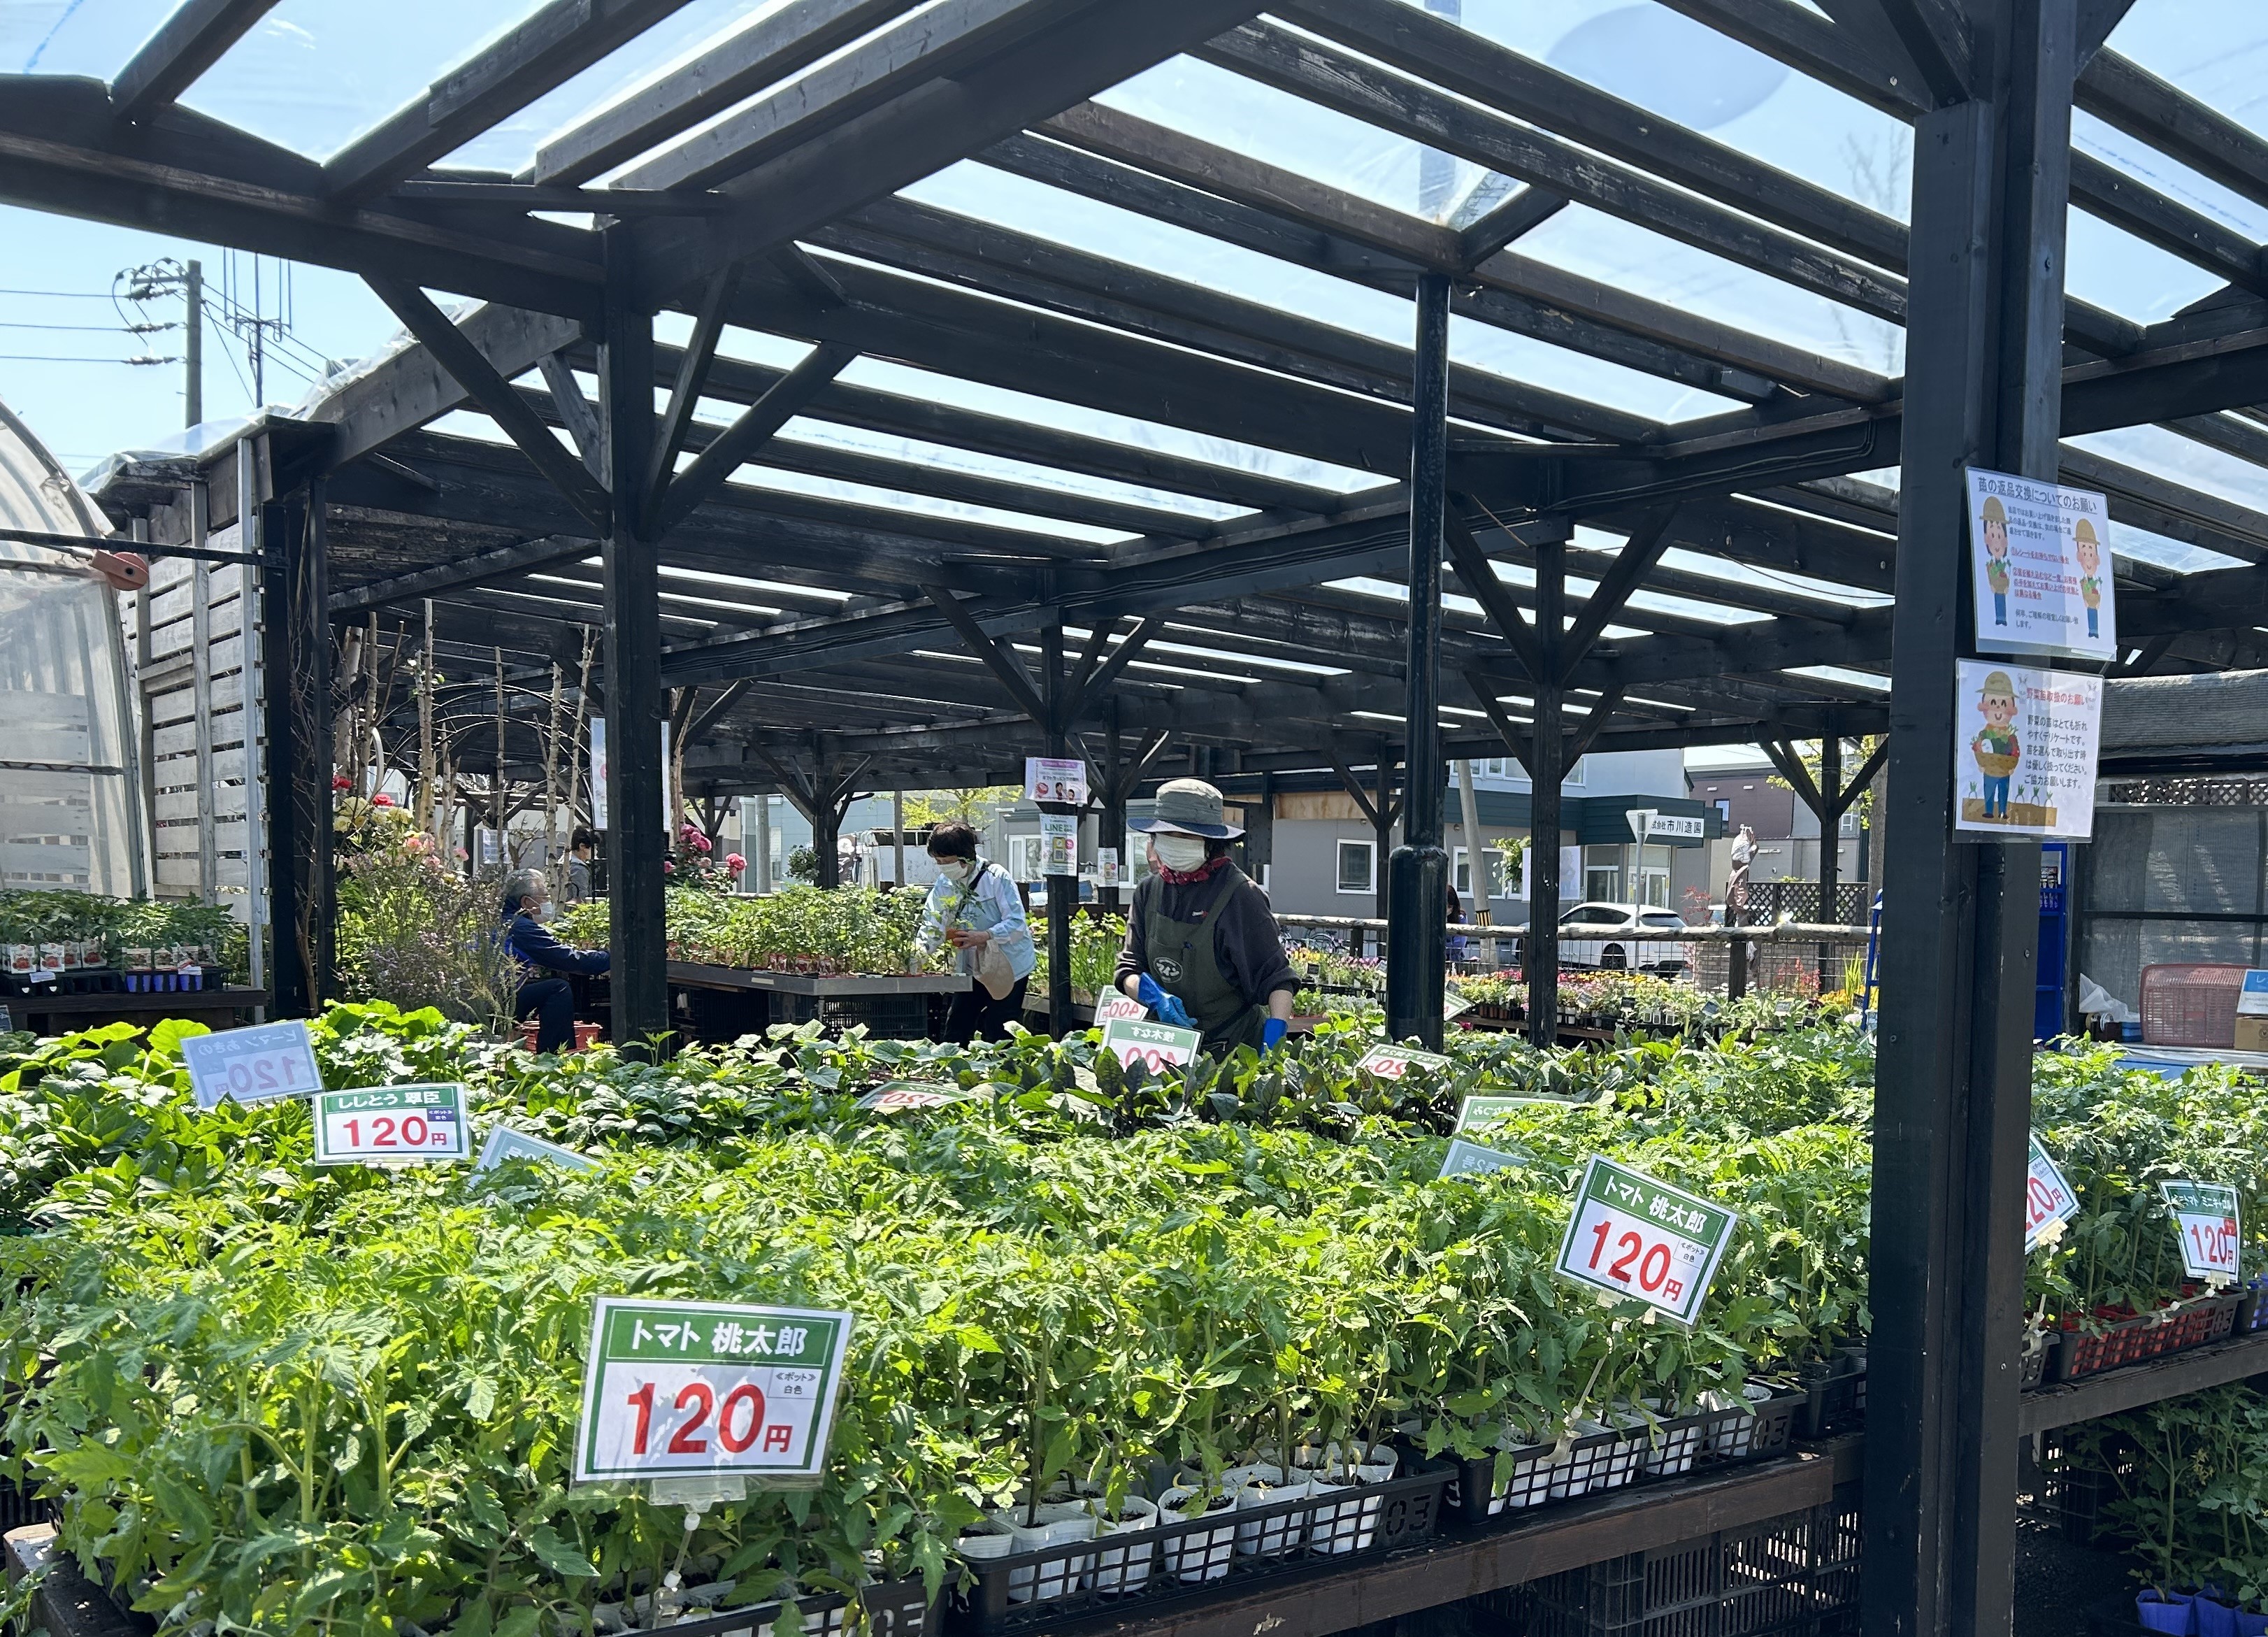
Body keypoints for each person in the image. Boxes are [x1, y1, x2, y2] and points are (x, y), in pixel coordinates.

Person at [1116, 779, 1297, 1057]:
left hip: (1231, 1046)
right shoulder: (1148, 892)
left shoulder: (1240, 895)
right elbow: (1129, 970)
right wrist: (1153, 996)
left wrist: (1275, 1035)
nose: (1176, 841)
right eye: (1168, 834)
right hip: (1166, 1042)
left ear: (1211, 842)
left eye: (1187, 836)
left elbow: (1277, 979)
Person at [914, 821, 1037, 1043]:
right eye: (938, 862)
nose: (942, 867)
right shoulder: (944, 883)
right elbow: (932, 922)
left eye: (946, 861)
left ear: (966, 857)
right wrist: (919, 953)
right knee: (956, 1028)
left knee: (999, 1030)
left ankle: (1000, 1065)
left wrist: (985, 936)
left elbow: (1017, 923)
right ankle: (956, 1065)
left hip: (1008, 966)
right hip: (972, 967)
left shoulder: (996, 877)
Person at [499, 867, 608, 1052]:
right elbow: (568, 959)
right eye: (544, 896)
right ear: (526, 902)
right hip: (498, 998)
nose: (547, 902)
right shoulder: (519, 926)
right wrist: (611, 957)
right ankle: (553, 1056)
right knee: (557, 989)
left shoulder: (501, 919)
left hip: (488, 995)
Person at [561, 828, 598, 905]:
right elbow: (581, 898)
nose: (596, 851)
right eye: (594, 847)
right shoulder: (579, 868)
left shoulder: (563, 862)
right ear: (582, 846)